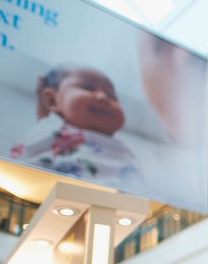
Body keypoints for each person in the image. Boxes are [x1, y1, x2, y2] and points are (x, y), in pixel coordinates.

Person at [10, 64, 142, 188]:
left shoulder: (124, 149)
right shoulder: (55, 132)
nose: (103, 97)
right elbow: (34, 146)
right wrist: (43, 110)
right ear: (52, 100)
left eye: (112, 96)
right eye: (87, 88)